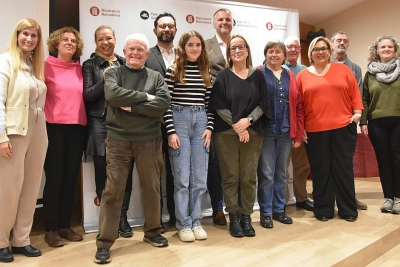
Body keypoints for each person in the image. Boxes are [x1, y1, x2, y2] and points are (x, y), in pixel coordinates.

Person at [94, 33, 170, 264]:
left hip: (150, 140)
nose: (135, 53)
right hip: (118, 141)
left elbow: (163, 103)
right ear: (124, 52)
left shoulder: (156, 76)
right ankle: (105, 242)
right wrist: (146, 97)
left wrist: (133, 107)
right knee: (113, 191)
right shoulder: (114, 73)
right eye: (131, 49)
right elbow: (113, 95)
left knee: (152, 188)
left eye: (140, 50)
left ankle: (153, 232)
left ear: (147, 55)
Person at [296, 36, 363, 222]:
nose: (320, 52)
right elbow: (298, 106)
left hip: (343, 127)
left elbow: (355, 94)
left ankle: (348, 209)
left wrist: (357, 114)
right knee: (320, 170)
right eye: (316, 49)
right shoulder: (302, 76)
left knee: (343, 169)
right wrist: (300, 128)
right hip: (314, 130)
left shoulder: (343, 70)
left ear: (329, 51)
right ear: (310, 53)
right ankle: (323, 209)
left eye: (324, 48)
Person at [210, 35, 271, 237]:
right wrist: (238, 126)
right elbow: (218, 105)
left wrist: (248, 122)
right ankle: (234, 218)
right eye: (233, 47)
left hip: (253, 133)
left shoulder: (258, 75)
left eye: (241, 47)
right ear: (229, 52)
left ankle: (246, 217)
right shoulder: (223, 76)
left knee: (248, 177)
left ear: (247, 50)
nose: (237, 50)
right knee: (230, 177)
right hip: (226, 134)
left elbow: (264, 102)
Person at [0, 18, 46, 263]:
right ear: (17, 35)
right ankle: (1, 242)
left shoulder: (35, 67)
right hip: (15, 130)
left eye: (34, 35)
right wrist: (1, 136)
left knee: (31, 186)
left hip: (39, 128)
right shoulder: (5, 61)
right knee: (8, 189)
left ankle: (21, 240)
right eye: (25, 34)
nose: (29, 38)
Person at [83, 25, 134, 238]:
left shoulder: (125, 62)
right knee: (103, 173)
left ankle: (122, 216)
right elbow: (88, 95)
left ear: (115, 39)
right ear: (96, 42)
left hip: (124, 123)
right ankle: (107, 218)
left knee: (126, 172)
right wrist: (104, 78)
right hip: (100, 124)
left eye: (109, 38)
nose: (106, 42)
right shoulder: (90, 64)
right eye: (101, 39)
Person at [164, 30, 213, 242]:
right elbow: (165, 103)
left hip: (201, 121)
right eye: (190, 44)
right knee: (182, 178)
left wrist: (209, 127)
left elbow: (210, 105)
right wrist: (171, 131)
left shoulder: (206, 71)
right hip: (179, 120)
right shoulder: (173, 70)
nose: (194, 48)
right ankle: (183, 224)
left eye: (198, 44)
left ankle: (196, 221)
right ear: (183, 47)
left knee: (200, 178)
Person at [43, 27, 87, 247]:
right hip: (53, 128)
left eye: (73, 40)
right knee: (54, 179)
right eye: (65, 40)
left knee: (70, 179)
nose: (69, 43)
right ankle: (50, 229)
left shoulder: (81, 69)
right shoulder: (45, 66)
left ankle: (64, 226)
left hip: (78, 128)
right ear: (56, 43)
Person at [257, 41, 304, 229]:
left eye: (278, 52)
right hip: (266, 131)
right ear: (266, 54)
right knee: (267, 174)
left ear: (284, 56)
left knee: (281, 174)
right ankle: (266, 213)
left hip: (286, 131)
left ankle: (279, 210)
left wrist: (298, 135)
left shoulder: (290, 75)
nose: (274, 55)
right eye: (270, 51)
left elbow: (298, 106)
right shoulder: (258, 72)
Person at [360, 36, 400, 214]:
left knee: (398, 160)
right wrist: (363, 122)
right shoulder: (370, 74)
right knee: (383, 161)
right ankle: (388, 198)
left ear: (395, 49)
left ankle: (398, 199)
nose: (386, 49)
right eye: (382, 47)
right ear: (376, 50)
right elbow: (365, 100)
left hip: (398, 120)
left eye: (390, 47)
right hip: (377, 123)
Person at [145, 12, 177, 228]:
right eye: (162, 26)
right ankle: (155, 221)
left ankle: (176, 218)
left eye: (170, 26)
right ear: (155, 30)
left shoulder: (184, 54)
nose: (166, 29)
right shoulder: (146, 55)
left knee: (176, 173)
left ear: (175, 30)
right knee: (154, 175)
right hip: (154, 125)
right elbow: (142, 89)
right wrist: (160, 115)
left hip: (180, 125)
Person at [331, 31, 368, 210]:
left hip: (347, 122)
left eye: (345, 41)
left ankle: (349, 198)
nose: (342, 43)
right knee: (328, 161)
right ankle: (328, 198)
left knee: (347, 162)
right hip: (326, 121)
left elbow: (358, 95)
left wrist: (357, 116)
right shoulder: (324, 64)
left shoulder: (355, 68)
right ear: (332, 44)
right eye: (339, 40)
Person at [204, 8, 234, 225]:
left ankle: (235, 206)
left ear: (232, 23)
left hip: (237, 111)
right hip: (213, 109)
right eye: (220, 19)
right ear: (214, 23)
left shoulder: (239, 44)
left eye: (227, 19)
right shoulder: (204, 45)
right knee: (214, 162)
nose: (224, 22)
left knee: (234, 161)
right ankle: (217, 208)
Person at [283, 36, 313, 212]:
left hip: (301, 125)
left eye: (295, 46)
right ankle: (283, 200)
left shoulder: (306, 71)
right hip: (283, 125)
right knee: (282, 166)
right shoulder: (276, 69)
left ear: (300, 50)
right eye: (289, 46)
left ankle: (302, 198)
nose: (292, 49)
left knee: (302, 165)